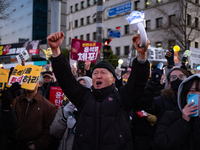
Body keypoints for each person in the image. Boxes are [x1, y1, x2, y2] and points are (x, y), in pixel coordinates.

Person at [47, 31, 150, 150]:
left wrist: (142, 56)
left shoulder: (122, 97)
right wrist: (55, 51)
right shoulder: (84, 97)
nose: (98, 76)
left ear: (113, 79)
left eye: (103, 72)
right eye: (95, 73)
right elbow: (66, 79)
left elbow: (138, 82)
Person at [6, 75, 57, 150]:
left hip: (30, 145)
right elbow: (6, 118)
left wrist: (34, 146)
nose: (28, 82)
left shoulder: (48, 106)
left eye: (32, 80)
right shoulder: (16, 100)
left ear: (39, 84)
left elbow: (48, 131)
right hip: (11, 144)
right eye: (26, 80)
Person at [154, 74, 200, 150]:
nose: (198, 95)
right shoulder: (169, 116)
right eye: (192, 91)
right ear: (185, 95)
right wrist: (183, 121)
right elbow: (161, 143)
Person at [50, 76, 92, 150]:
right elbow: (54, 132)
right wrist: (63, 118)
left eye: (84, 84)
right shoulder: (65, 108)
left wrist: (76, 128)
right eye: (78, 85)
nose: (81, 87)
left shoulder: (93, 109)